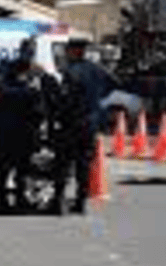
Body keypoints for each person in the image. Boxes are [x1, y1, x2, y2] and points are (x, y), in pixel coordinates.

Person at [57, 38, 117, 214]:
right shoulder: (97, 69)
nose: (66, 53)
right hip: (90, 122)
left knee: (64, 162)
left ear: (75, 51)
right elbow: (114, 83)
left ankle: (60, 200)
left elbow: (66, 100)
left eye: (68, 50)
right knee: (84, 164)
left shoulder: (71, 71)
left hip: (71, 122)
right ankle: (80, 202)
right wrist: (96, 99)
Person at [0, 39, 52, 213]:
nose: (29, 54)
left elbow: (47, 97)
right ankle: (3, 201)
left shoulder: (38, 71)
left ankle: (20, 199)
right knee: (4, 167)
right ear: (20, 51)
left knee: (23, 166)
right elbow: (1, 92)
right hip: (8, 125)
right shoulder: (7, 69)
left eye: (32, 51)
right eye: (26, 51)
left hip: (29, 127)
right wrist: (26, 91)